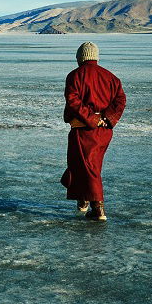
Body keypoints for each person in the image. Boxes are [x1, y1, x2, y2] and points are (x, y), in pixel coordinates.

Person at [61, 42, 126, 221]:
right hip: (104, 132)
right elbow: (120, 100)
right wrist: (107, 118)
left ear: (80, 57)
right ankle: (83, 200)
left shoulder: (74, 76)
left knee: (89, 167)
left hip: (83, 129)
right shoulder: (111, 77)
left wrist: (92, 119)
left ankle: (98, 209)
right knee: (86, 165)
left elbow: (73, 100)